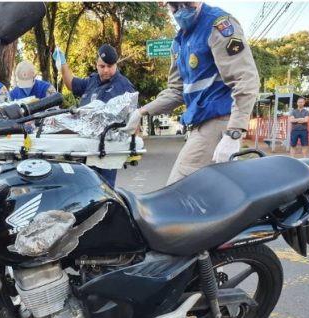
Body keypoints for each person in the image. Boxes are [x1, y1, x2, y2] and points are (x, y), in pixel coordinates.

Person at [121, 2, 259, 185]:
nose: (182, 8)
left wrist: (234, 133)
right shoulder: (179, 43)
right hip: (199, 126)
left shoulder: (218, 25)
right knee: (205, 196)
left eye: (187, 2)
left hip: (219, 123)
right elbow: (176, 91)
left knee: (176, 194)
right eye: (175, 5)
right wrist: (141, 112)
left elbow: (246, 79)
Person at [53, 43, 135, 187]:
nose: (106, 70)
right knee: (82, 187)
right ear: (96, 64)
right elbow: (71, 83)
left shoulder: (124, 86)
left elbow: (133, 116)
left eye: (110, 66)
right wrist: (63, 64)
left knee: (103, 190)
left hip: (105, 148)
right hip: (84, 146)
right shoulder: (92, 80)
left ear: (116, 65)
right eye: (102, 66)